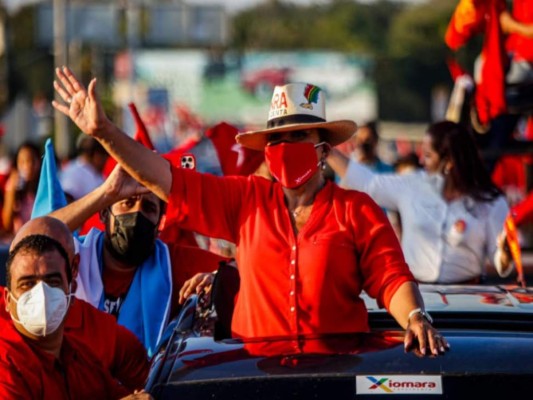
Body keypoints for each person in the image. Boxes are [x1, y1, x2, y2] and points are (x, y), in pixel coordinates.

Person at [53, 66, 449, 357]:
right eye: (277, 138)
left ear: (324, 148)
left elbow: (391, 278)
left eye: (300, 136)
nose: (287, 145)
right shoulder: (245, 199)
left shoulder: (356, 210)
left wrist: (415, 316)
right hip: (255, 378)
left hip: (336, 375)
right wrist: (103, 131)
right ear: (266, 150)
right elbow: (165, 177)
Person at [50, 164, 227, 356]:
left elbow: (247, 269)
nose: (137, 215)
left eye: (149, 207)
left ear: (160, 223)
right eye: (127, 202)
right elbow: (34, 237)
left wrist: (219, 278)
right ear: (103, 212)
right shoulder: (74, 255)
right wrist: (105, 193)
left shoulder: (172, 261)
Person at [329, 120, 514, 284]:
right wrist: (325, 149)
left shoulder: (491, 201)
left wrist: (506, 253)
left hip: (468, 301)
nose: (420, 160)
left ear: (449, 161)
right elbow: (367, 182)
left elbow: (501, 263)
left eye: (427, 155)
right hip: (416, 299)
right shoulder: (412, 184)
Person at [0, 216, 150, 392]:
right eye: (27, 284)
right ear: (8, 299)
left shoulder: (81, 357)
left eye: (52, 282)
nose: (41, 293)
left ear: (71, 291)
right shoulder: (6, 362)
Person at [2, 141, 41, 235]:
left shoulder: (44, 186)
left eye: (32, 160)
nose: (28, 166)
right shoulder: (13, 187)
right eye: (22, 162)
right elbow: (7, 224)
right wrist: (12, 193)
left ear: (39, 162)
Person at [60, 135, 109, 202]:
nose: (106, 160)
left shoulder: (95, 172)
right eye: (104, 155)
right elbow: (66, 200)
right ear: (96, 154)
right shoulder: (74, 172)